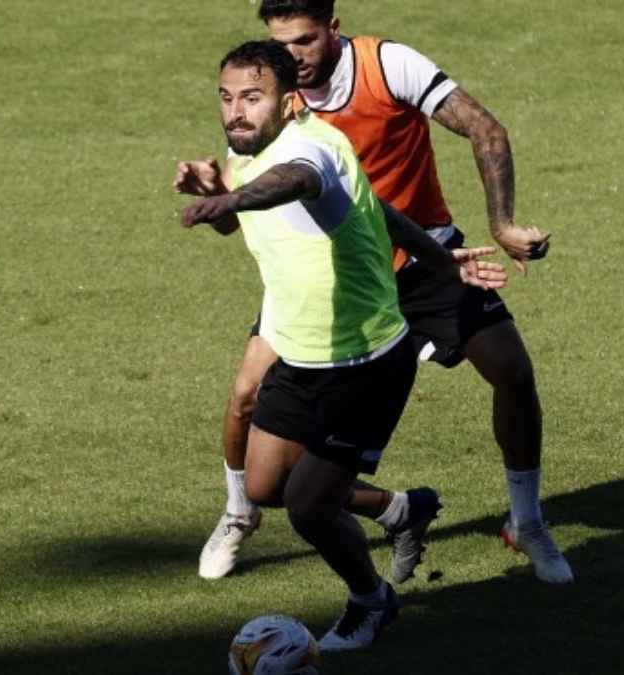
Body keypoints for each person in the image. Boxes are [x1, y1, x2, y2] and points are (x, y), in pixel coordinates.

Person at [198, 0, 574, 585]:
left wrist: (501, 224)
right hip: (335, 275)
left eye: (304, 41)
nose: (292, 56)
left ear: (333, 28)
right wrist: (221, 193)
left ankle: (526, 521)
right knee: (246, 395)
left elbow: (484, 127)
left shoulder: (385, 65)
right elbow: (262, 186)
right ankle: (242, 512)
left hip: (422, 254)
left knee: (512, 369)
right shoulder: (269, 102)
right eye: (280, 43)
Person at [177, 41, 508, 650]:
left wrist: (233, 196)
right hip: (299, 353)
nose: (235, 113)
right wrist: (443, 261)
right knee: (263, 488)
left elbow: (289, 183)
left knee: (306, 507)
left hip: (365, 363)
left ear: (290, 100)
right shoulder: (245, 149)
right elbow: (380, 213)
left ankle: (370, 601)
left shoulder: (309, 151)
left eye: (252, 98)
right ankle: (401, 510)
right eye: (226, 98)